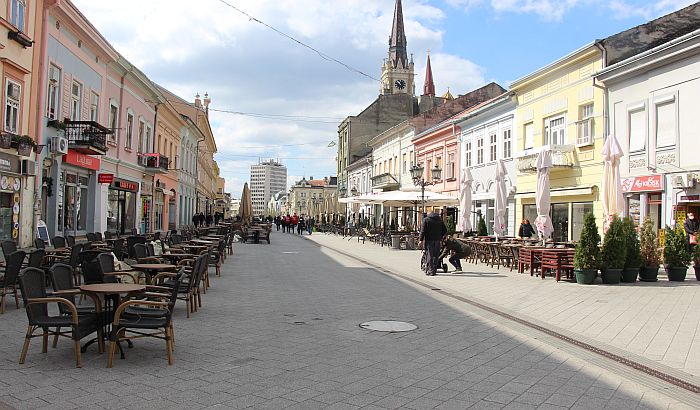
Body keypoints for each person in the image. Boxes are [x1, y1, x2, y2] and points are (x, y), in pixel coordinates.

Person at [418, 212, 447, 276]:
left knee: (429, 255)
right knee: (436, 255)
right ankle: (434, 270)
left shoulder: (426, 220)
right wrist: (440, 236)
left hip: (429, 240)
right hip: (437, 240)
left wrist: (421, 240)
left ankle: (430, 270)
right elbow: (445, 230)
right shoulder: (439, 220)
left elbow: (423, 231)